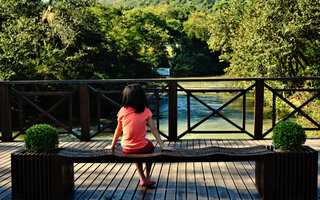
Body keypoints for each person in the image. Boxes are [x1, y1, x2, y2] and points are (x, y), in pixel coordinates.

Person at [105, 84, 175, 186]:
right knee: (150, 148)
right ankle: (147, 176)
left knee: (136, 153)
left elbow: (118, 129)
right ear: (141, 97)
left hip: (126, 148)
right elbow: (153, 129)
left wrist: (112, 146)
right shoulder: (145, 110)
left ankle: (142, 178)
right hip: (143, 147)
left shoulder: (122, 110)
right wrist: (163, 146)